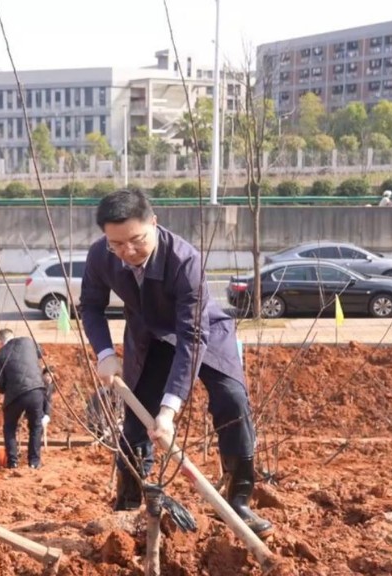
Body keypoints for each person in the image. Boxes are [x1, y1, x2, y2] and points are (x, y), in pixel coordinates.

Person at [80, 189, 273, 537]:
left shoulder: (184, 260)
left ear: (153, 223)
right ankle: (128, 505)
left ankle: (238, 501)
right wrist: (105, 353)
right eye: (117, 244)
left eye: (136, 240)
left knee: (232, 401)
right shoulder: (100, 256)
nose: (127, 251)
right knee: (136, 419)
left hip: (204, 333)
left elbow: (191, 338)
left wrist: (169, 410)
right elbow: (91, 306)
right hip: (150, 337)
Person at [0, 328, 46, 469]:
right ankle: (34, 462)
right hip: (36, 390)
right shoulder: (28, 342)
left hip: (15, 395)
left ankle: (12, 462)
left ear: (0, 342)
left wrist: (6, 389)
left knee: (10, 427)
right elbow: (41, 353)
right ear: (12, 336)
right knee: (36, 426)